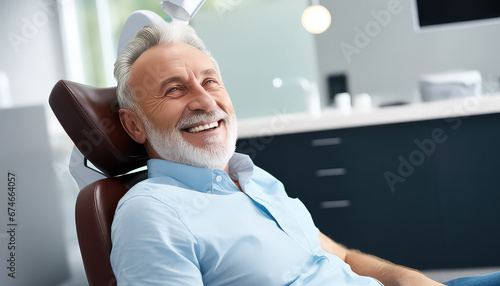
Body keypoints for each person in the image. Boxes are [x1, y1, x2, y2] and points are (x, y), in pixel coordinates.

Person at [110, 22, 498, 286]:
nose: (204, 100)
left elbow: (342, 257)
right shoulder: (153, 213)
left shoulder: (252, 177)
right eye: (174, 90)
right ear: (134, 125)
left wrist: (407, 279)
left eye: (210, 81)